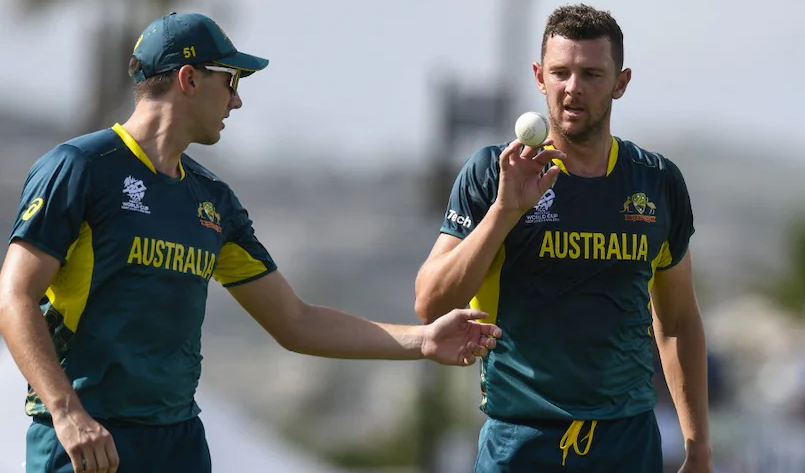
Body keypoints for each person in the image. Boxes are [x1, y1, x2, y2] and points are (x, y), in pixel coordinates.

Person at [0, 12, 502, 473]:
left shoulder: (212, 201)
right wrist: (67, 413)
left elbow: (295, 321)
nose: (237, 99)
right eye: (230, 81)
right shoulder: (81, 168)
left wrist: (425, 340)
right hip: (88, 441)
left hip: (177, 443)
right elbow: (14, 295)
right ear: (189, 78)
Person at [414, 4, 712, 472]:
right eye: (560, 72)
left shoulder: (656, 182)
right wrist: (504, 211)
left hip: (628, 442)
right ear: (539, 76)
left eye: (592, 74)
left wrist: (698, 447)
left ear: (621, 82)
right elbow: (430, 303)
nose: (573, 88)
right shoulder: (493, 174)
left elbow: (676, 321)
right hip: (519, 440)